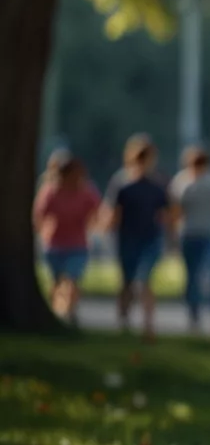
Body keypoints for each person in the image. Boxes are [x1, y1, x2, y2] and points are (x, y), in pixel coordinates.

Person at [105, 135, 171, 341]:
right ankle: (123, 320)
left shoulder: (158, 185)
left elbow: (168, 213)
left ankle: (148, 324)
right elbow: (114, 213)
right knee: (126, 281)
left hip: (150, 239)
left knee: (144, 280)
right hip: (127, 237)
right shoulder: (122, 183)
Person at [168, 146, 210, 333]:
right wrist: (171, 234)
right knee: (191, 275)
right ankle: (193, 311)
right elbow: (175, 211)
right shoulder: (181, 182)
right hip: (188, 234)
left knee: (207, 274)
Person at [34, 152, 101, 323]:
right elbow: (39, 215)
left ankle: (70, 312)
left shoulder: (87, 191)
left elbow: (97, 213)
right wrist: (40, 232)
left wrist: (95, 224)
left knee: (72, 280)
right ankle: (56, 311)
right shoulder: (50, 191)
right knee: (57, 282)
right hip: (54, 243)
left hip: (78, 244)